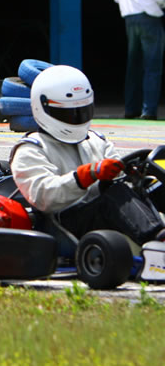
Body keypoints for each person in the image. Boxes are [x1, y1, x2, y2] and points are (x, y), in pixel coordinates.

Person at [10, 65, 164, 246]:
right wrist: (86, 175)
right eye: (67, 113)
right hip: (67, 224)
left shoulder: (96, 140)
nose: (76, 118)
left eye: (81, 111)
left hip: (106, 213)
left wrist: (135, 175)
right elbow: (44, 196)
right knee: (117, 194)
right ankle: (158, 242)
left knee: (153, 185)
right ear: (42, 107)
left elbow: (118, 175)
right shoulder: (31, 149)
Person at [113, 0, 165, 120]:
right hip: (149, 19)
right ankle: (148, 111)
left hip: (130, 19)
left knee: (133, 66)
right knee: (152, 66)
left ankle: (131, 108)